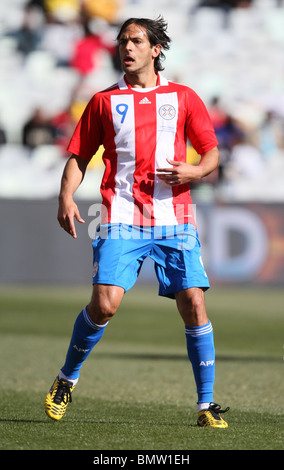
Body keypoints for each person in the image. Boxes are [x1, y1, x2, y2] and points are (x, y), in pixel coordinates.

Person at [44, 16, 230, 428]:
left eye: (136, 41)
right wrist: (65, 194)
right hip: (120, 215)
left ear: (155, 49)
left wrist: (195, 172)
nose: (127, 48)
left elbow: (211, 152)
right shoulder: (104, 101)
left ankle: (206, 405)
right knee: (105, 305)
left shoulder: (183, 97)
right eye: (123, 41)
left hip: (174, 216)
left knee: (194, 302)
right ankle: (66, 377)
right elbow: (79, 155)